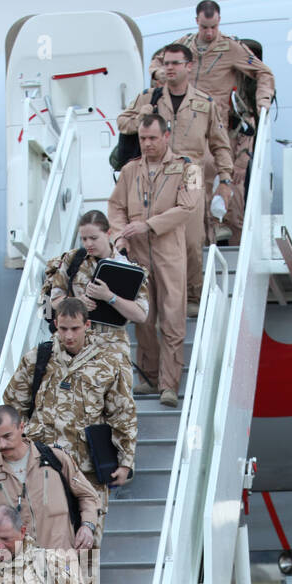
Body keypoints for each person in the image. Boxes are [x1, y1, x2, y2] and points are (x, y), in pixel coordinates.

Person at [3, 297, 137, 549]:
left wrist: (126, 461)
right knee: (43, 542)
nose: (68, 335)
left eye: (75, 328)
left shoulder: (108, 362)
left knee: (87, 545)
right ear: (55, 324)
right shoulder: (38, 358)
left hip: (87, 467)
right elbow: (14, 404)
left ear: (87, 325)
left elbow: (123, 413)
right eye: (63, 328)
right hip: (44, 466)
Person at [117, 44, 234, 315]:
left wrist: (225, 179)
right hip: (154, 172)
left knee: (193, 238)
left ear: (189, 67)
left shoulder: (204, 103)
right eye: (166, 63)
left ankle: (193, 294)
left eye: (175, 63)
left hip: (191, 171)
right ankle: (153, 298)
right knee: (153, 239)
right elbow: (122, 123)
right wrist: (142, 118)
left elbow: (220, 144)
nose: (169, 68)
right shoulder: (150, 96)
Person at [108, 113, 201, 406]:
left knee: (172, 319)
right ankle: (148, 378)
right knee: (144, 318)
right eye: (142, 139)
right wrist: (119, 236)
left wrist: (148, 225)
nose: (147, 144)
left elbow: (188, 207)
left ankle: (169, 385)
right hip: (137, 253)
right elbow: (115, 207)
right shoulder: (129, 171)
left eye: (152, 138)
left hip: (169, 252)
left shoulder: (190, 168)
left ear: (166, 136)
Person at [181, 0, 275, 244]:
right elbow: (158, 64)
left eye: (213, 27)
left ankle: (224, 234)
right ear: (196, 22)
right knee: (192, 188)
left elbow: (263, 72)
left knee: (223, 181)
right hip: (188, 129)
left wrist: (263, 100)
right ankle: (204, 238)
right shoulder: (184, 46)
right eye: (204, 27)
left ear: (219, 21)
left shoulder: (232, 48)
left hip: (217, 126)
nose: (209, 33)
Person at [0, 404, 100, 559]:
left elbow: (89, 496)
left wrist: (87, 525)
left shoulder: (55, 459)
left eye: (7, 436)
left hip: (63, 565)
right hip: (18, 572)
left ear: (21, 427)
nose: (2, 444)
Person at [41, 210, 150, 367]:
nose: (88, 244)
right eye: (84, 239)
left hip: (111, 350)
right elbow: (54, 301)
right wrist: (77, 303)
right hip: (73, 347)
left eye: (93, 238)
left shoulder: (128, 268)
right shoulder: (72, 260)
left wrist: (109, 297)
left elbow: (140, 315)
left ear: (108, 233)